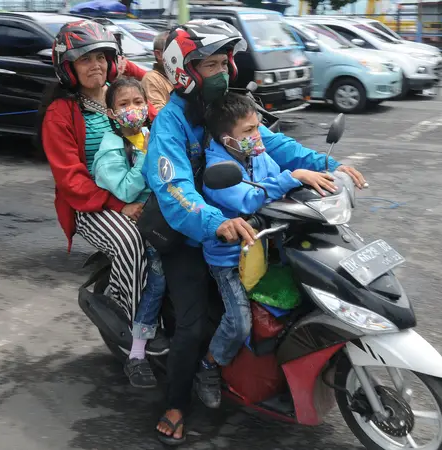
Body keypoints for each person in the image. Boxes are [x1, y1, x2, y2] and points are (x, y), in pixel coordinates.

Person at [143, 19, 367, 446]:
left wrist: (327, 165)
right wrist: (215, 221)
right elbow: (175, 190)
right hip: (187, 233)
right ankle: (175, 403)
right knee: (192, 324)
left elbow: (273, 144)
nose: (222, 72)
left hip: (241, 222)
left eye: (223, 62)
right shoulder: (169, 124)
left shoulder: (226, 105)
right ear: (182, 70)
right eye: (209, 65)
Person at [198, 92, 337, 389]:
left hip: (265, 245)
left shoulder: (256, 154)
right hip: (229, 259)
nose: (256, 135)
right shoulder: (217, 169)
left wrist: (323, 176)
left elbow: (278, 181)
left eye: (258, 127)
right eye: (248, 131)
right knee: (239, 324)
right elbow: (249, 199)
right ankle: (209, 364)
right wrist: (292, 176)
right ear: (227, 139)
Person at [38, 20, 151, 333]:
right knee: (131, 241)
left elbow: (162, 120)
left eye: (101, 57)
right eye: (85, 59)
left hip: (140, 188)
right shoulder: (61, 112)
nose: (96, 65)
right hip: (93, 204)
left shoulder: (123, 96)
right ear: (68, 67)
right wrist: (118, 204)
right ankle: (127, 323)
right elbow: (69, 178)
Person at [90, 77, 165, 389]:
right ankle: (137, 352)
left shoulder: (150, 133)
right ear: (111, 113)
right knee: (159, 278)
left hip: (167, 211)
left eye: (137, 102)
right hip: (144, 220)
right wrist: (148, 154)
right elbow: (124, 188)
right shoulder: (111, 147)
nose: (133, 109)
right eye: (123, 104)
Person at [141, 31, 174, 111]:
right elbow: (158, 113)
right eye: (174, 50)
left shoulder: (179, 75)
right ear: (159, 54)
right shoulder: (152, 78)